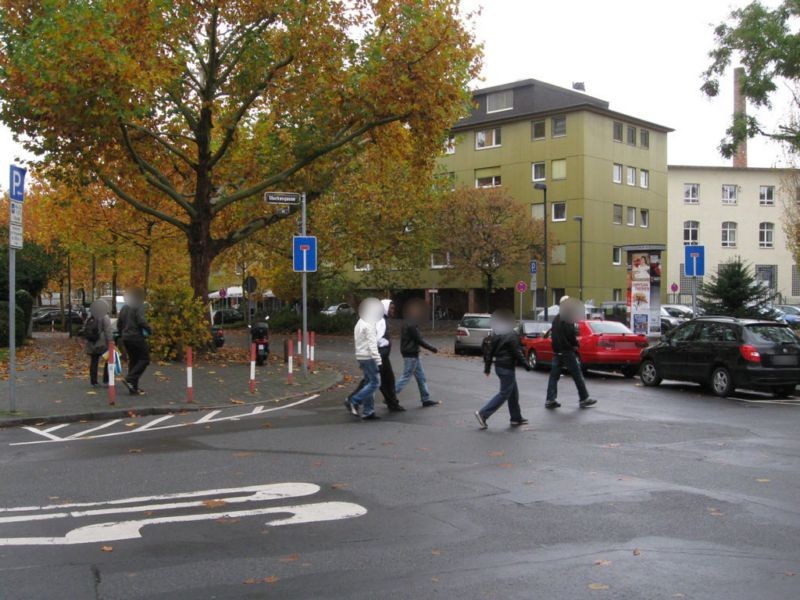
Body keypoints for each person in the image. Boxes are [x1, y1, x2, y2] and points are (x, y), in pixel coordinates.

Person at [474, 309, 532, 430]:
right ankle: (483, 413)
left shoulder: (497, 334)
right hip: (507, 367)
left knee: (513, 393)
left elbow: (489, 352)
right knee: (504, 393)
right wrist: (526, 365)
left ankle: (516, 417)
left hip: (499, 366)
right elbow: (518, 353)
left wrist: (487, 368)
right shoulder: (512, 335)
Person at [348, 299, 405, 412]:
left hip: (377, 355)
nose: (393, 311)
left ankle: (375, 407)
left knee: (377, 381)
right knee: (376, 381)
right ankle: (353, 400)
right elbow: (374, 338)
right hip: (379, 356)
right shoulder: (380, 320)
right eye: (391, 308)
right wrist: (384, 343)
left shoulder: (378, 319)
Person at [546, 296, 596, 409]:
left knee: (554, 377)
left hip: (557, 351)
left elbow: (553, 335)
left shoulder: (556, 318)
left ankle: (550, 399)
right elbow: (570, 334)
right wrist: (575, 345)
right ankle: (584, 398)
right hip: (566, 351)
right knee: (577, 375)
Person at [395, 298, 439, 406]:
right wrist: (431, 348)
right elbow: (418, 339)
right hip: (411, 354)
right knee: (406, 376)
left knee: (421, 377)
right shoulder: (411, 325)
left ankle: (425, 398)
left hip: (412, 354)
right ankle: (391, 395)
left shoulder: (408, 323)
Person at [345, 298, 384, 421]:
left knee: (368, 382)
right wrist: (379, 361)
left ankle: (369, 411)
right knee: (375, 383)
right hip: (368, 357)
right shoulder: (369, 323)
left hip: (361, 356)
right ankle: (354, 400)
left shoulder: (360, 322)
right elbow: (372, 344)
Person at [116, 287, 152, 396]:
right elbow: (141, 321)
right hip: (136, 337)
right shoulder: (138, 306)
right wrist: (149, 329)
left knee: (134, 360)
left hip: (126, 338)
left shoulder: (125, 307)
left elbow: (119, 323)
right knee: (145, 359)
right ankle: (130, 379)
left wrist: (122, 334)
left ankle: (133, 388)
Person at [84, 299, 114, 388]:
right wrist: (111, 342)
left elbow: (85, 328)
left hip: (92, 342)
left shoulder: (90, 316)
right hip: (102, 342)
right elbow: (108, 331)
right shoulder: (105, 316)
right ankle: (106, 379)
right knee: (109, 360)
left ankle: (93, 381)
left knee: (94, 361)